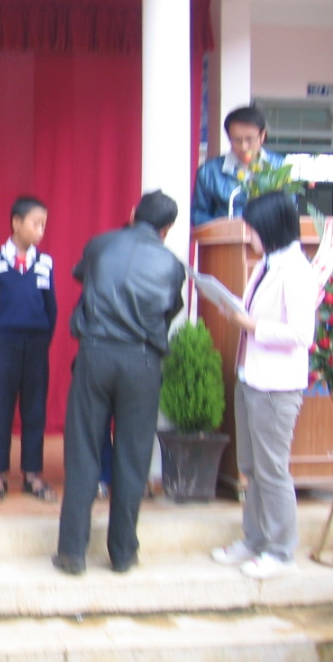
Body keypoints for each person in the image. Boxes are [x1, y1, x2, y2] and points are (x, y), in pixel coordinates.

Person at [54, 190, 185, 575]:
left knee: (83, 452)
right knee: (133, 457)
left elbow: (82, 275)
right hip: (142, 361)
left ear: (131, 213)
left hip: (96, 353)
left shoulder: (100, 244)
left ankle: (72, 552)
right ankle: (123, 553)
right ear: (167, 229)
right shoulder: (173, 264)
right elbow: (168, 310)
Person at [210, 191, 313, 579]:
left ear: (269, 228)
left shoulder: (297, 271)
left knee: (272, 471)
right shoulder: (267, 264)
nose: (248, 234)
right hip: (250, 377)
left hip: (276, 387)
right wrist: (235, 308)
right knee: (251, 467)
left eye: (252, 228)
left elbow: (301, 334)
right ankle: (253, 540)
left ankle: (282, 551)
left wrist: (250, 325)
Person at [0, 196, 57, 504]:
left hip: (36, 347)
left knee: (35, 411)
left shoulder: (45, 263)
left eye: (44, 225)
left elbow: (52, 309)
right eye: (36, 224)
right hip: (5, 346)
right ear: (16, 223)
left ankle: (32, 474)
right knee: (2, 411)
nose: (41, 230)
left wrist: (42, 341)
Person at [191, 105, 284, 226]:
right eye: (237, 140)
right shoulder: (209, 171)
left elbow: (287, 210)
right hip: (225, 236)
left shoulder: (280, 167)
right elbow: (198, 214)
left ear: (262, 136)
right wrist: (225, 226)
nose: (243, 147)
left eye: (249, 140)